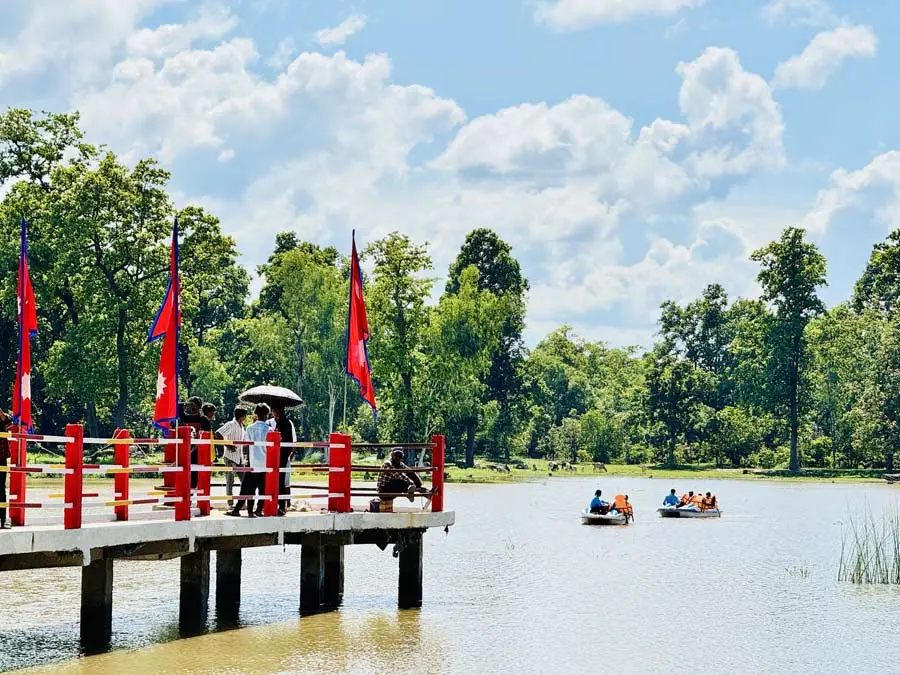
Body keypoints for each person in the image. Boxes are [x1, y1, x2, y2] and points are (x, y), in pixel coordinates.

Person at [227, 403, 270, 518]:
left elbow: (246, 444)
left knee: (247, 488)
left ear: (255, 414)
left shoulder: (250, 428)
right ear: (267, 414)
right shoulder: (269, 429)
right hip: (265, 463)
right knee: (262, 489)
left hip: (253, 462)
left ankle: (248, 511)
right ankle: (259, 510)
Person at [216, 408, 248, 509]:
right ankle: (230, 503)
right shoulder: (230, 424)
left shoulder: (242, 426)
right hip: (229, 456)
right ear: (242, 416)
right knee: (230, 480)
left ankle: (242, 502)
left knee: (244, 480)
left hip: (239, 457)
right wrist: (228, 445)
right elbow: (218, 433)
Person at [268, 404, 296, 516]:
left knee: (279, 480)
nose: (272, 412)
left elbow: (279, 438)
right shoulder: (286, 422)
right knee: (280, 480)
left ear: (278, 411)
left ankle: (281, 506)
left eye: (273, 410)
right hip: (284, 454)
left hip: (281, 454)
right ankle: (281, 505)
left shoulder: (282, 422)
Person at [0, 410, 11, 529]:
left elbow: (7, 420)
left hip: (0, 459)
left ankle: (3, 520)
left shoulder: (2, 422)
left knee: (1, 490)